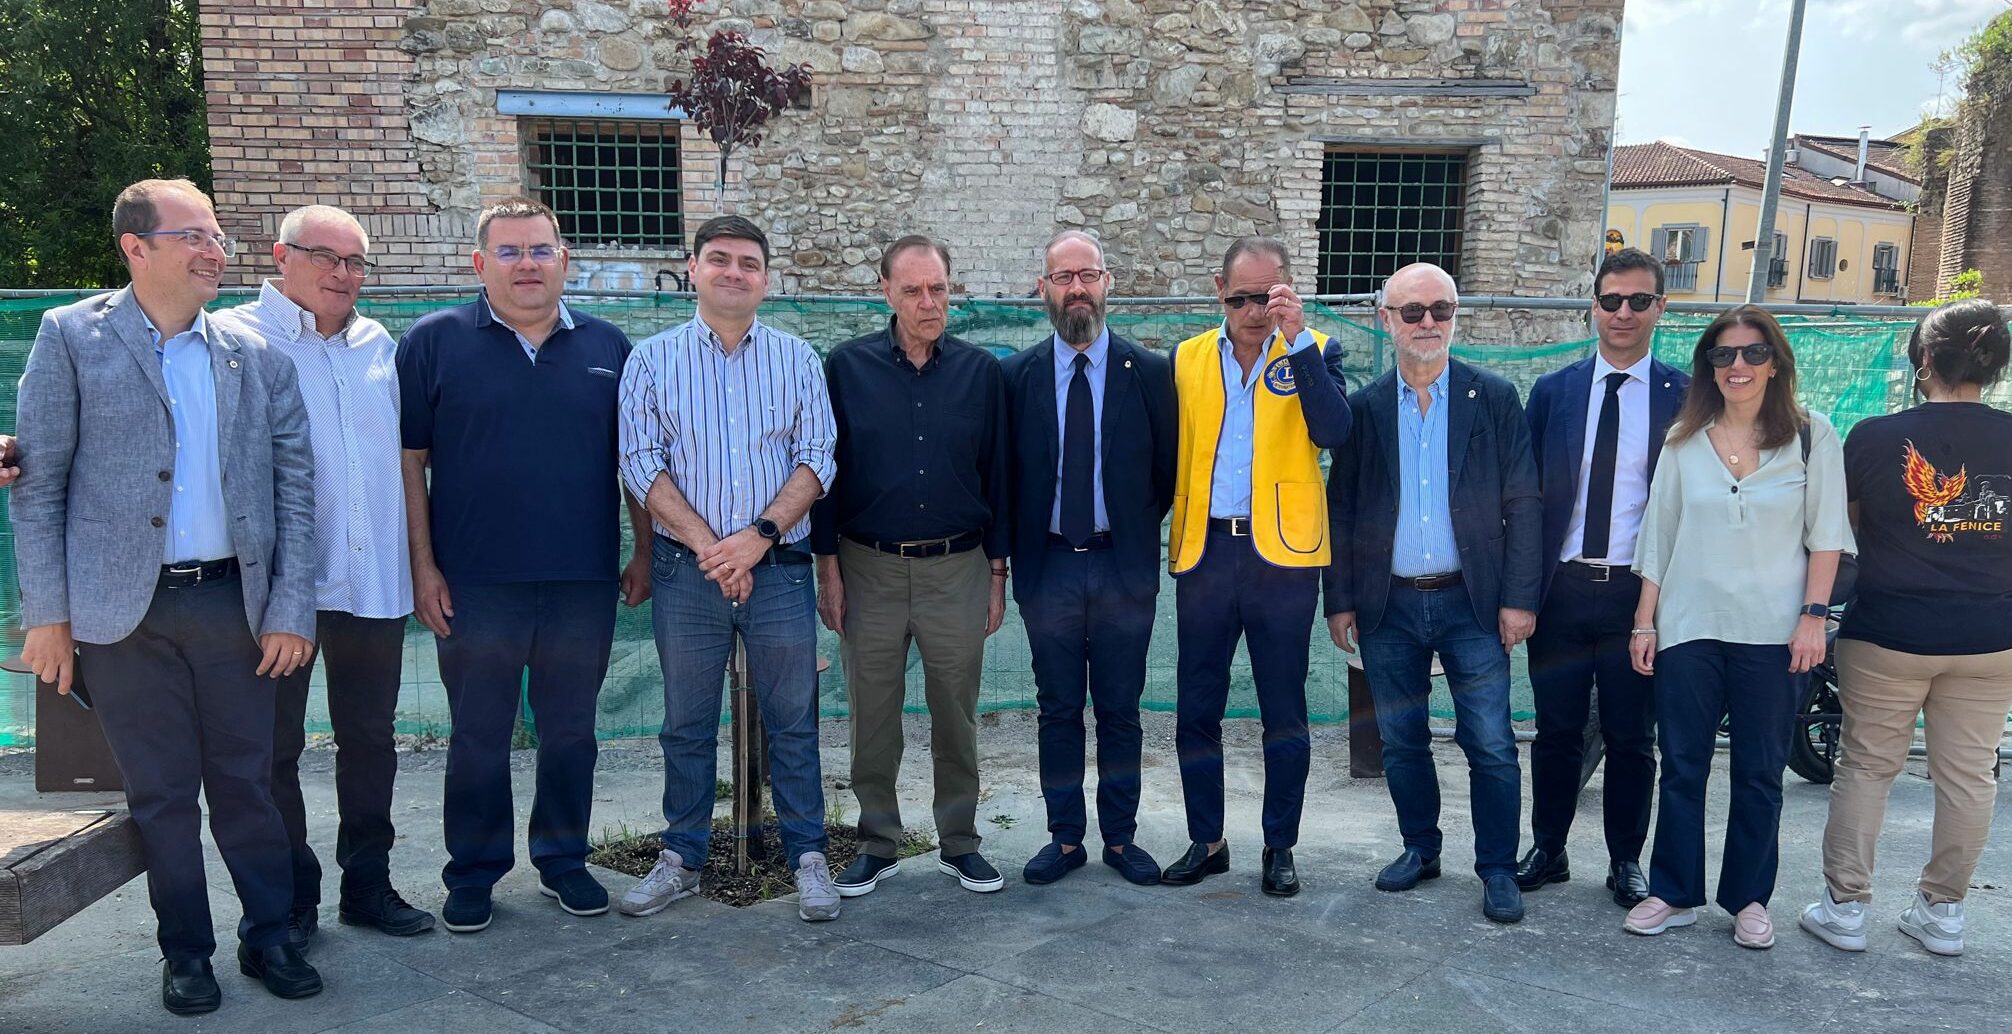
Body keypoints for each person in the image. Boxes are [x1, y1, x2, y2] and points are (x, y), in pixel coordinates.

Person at [13, 178, 321, 1013]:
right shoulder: (71, 337)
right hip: (122, 617)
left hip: (235, 610)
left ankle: (269, 937)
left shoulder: (252, 354)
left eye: (217, 235)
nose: (213, 250)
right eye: (194, 236)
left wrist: (291, 608)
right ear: (136, 248)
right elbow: (37, 488)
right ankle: (186, 952)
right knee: (161, 797)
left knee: (248, 785)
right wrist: (49, 615)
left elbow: (296, 485)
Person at [397, 197, 651, 934]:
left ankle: (563, 860)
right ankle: (474, 873)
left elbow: (634, 465)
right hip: (476, 584)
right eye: (509, 252)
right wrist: (424, 567)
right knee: (479, 734)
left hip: (583, 581)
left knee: (571, 732)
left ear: (564, 260)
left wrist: (640, 547)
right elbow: (409, 463)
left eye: (540, 249)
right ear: (480, 265)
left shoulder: (610, 347)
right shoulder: (434, 342)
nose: (527, 264)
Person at [214, 204, 434, 945]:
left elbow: (402, 465)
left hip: (373, 582)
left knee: (371, 740)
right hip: (281, 593)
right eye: (325, 257)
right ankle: (291, 898)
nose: (343, 274)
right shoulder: (236, 340)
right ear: (282, 256)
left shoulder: (379, 344)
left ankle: (367, 887)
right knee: (274, 751)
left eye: (356, 262)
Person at [615, 215, 842, 923]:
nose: (734, 272)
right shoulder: (650, 360)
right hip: (689, 575)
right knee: (685, 722)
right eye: (720, 260)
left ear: (766, 280)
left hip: (778, 572)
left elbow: (819, 457)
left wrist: (758, 539)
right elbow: (639, 462)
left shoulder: (799, 359)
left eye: (749, 262)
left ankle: (807, 854)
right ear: (694, 269)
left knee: (793, 720)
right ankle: (682, 856)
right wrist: (717, 549)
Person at [1624, 304, 1853, 948]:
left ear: (1775, 362)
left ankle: (1749, 898)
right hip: (1689, 627)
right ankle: (1673, 891)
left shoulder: (1813, 437)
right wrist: (1645, 622)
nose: (1739, 366)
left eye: (1753, 353)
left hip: (1776, 632)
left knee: (1759, 771)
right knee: (1683, 764)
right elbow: (1657, 538)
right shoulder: (1683, 441)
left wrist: (1814, 618)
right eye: (1724, 356)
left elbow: (1828, 538)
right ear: (1709, 367)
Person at [1325, 262, 1541, 924]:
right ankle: (1420, 848)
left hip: (1471, 602)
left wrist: (1519, 598)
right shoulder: (1361, 410)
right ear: (1385, 320)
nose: (1427, 323)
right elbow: (1342, 509)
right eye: (1412, 311)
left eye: (1440, 310)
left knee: (1491, 741)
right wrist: (1339, 599)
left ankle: (1498, 869)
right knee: (1400, 740)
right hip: (1387, 604)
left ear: (1455, 317)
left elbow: (1524, 502)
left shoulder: (1495, 398)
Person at [1801, 300, 2012, 957]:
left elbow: (1846, 533)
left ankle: (1844, 909)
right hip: (1989, 636)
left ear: (1924, 359)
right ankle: (1943, 914)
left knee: (1866, 767)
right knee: (1971, 776)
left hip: (1888, 630)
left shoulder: (1873, 436)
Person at [813, 236, 1012, 897]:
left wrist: (997, 574)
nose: (929, 303)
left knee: (957, 714)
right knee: (873, 715)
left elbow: (1000, 475)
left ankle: (959, 842)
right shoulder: (846, 368)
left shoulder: (982, 374)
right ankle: (878, 843)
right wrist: (828, 569)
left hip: (958, 568)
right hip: (866, 565)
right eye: (913, 290)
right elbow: (824, 474)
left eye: (939, 289)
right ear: (886, 290)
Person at [1162, 235, 1351, 897]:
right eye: (1240, 297)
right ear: (1219, 291)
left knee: (1284, 711)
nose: (1252, 311)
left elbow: (1334, 432)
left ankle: (1280, 846)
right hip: (1205, 551)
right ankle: (1207, 840)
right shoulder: (1185, 359)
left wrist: (1297, 341)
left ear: (1288, 294)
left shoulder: (1318, 351)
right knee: (1196, 707)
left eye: (1266, 298)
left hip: (1284, 561)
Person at [1516, 248, 1689, 906]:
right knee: (1556, 732)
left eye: (1638, 301)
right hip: (1560, 591)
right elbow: (1525, 500)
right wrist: (1521, 594)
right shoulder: (1555, 392)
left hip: (1638, 596)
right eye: (1611, 300)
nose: (1623, 312)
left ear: (1660, 309)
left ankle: (1625, 862)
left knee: (1630, 738)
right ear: (1593, 307)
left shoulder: (1685, 396)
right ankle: (1549, 849)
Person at [1003, 230, 1177, 887]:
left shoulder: (1151, 373)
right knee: (1056, 710)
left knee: (1121, 710)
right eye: (1063, 276)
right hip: (1046, 568)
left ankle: (1122, 839)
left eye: (1088, 274)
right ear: (1043, 289)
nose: (1077, 287)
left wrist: (1127, 533)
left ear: (1108, 283)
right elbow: (1007, 478)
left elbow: (1165, 473)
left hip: (1120, 567)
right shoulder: (1014, 377)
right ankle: (1065, 838)